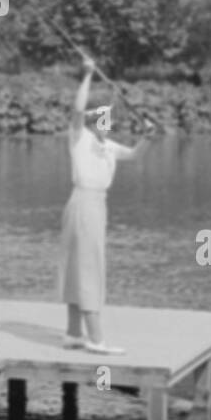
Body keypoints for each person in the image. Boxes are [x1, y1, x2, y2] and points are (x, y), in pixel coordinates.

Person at [58, 55, 149, 353]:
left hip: (97, 206)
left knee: (80, 264)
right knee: (87, 266)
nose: (104, 125)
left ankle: (74, 333)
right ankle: (96, 340)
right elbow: (77, 109)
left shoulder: (109, 147)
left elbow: (135, 154)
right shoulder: (79, 137)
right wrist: (87, 74)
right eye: (100, 119)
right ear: (93, 122)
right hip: (82, 204)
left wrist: (148, 135)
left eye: (107, 120)